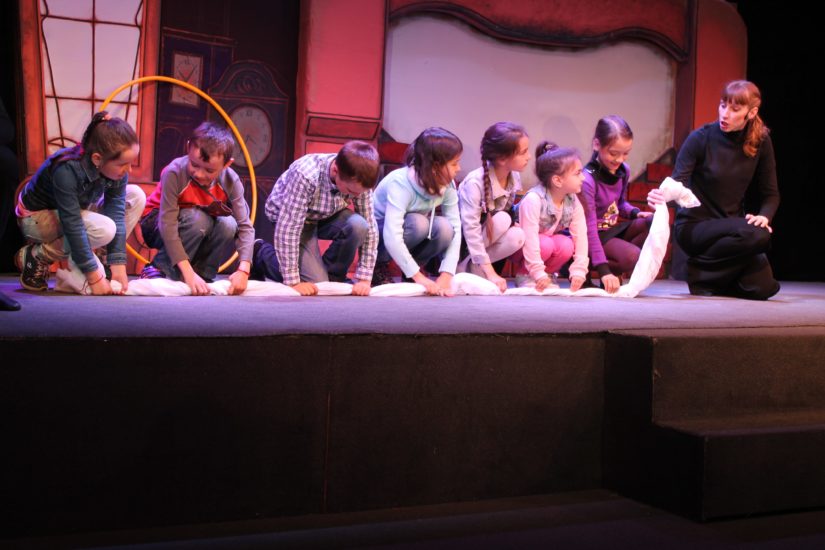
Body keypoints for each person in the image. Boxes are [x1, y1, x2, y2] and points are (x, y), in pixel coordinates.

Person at [651, 80, 780, 300]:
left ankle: (704, 278)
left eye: (735, 109)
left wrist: (764, 217)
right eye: (722, 105)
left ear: (751, 113)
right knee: (759, 236)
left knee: (764, 288)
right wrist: (661, 195)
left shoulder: (761, 141)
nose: (725, 114)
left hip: (731, 230)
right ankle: (699, 271)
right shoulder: (700, 138)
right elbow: (677, 182)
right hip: (695, 226)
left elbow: (771, 194)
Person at [15, 111, 145, 295]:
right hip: (36, 219)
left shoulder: (115, 170)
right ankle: (37, 256)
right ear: (97, 159)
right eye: (123, 164)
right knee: (105, 228)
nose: (129, 170)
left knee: (136, 196)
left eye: (131, 163)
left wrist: (118, 265)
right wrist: (94, 277)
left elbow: (116, 212)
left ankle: (102, 259)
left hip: (74, 212)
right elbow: (73, 224)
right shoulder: (67, 169)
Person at [250, 140, 380, 296]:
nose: (357, 196)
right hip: (291, 218)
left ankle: (333, 278)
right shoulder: (306, 175)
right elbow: (289, 228)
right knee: (315, 284)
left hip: (325, 214)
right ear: (335, 170)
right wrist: (293, 281)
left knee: (359, 225)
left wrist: (364, 278)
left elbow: (370, 227)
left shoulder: (359, 179)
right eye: (351, 192)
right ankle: (260, 253)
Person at [140, 122, 254, 296]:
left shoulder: (231, 181)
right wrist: (187, 272)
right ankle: (159, 268)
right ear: (188, 148)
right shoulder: (175, 172)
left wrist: (243, 270)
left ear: (226, 164)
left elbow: (245, 226)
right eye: (194, 165)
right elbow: (167, 224)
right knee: (198, 220)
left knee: (228, 224)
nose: (199, 174)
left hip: (197, 222)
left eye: (209, 170)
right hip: (157, 222)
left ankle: (202, 274)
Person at [371, 127, 463, 297]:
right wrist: (420, 278)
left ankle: (411, 272)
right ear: (435, 167)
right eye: (454, 163)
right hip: (378, 238)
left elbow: (456, 228)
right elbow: (392, 234)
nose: (459, 168)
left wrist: (446, 274)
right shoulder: (401, 183)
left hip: (408, 232)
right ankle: (378, 266)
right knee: (418, 223)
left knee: (445, 227)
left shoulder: (448, 185)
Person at [579, 115, 652, 293]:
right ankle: (590, 267)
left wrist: (635, 213)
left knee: (652, 222)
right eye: (613, 153)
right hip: (591, 236)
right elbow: (588, 228)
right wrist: (604, 271)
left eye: (625, 153)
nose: (619, 159)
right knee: (633, 256)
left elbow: (619, 204)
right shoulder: (587, 179)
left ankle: (615, 266)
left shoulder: (623, 170)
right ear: (597, 145)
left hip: (610, 231)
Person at [457, 122, 527, 292]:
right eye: (523, 152)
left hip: (487, 237)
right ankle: (463, 266)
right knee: (502, 219)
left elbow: (507, 209)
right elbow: (470, 230)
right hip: (463, 243)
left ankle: (475, 269)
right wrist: (490, 271)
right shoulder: (475, 183)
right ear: (502, 159)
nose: (529, 157)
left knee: (517, 234)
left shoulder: (514, 176)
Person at [510, 141, 588, 291]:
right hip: (521, 246)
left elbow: (581, 236)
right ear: (557, 180)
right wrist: (537, 272)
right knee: (545, 244)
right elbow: (530, 239)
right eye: (577, 173)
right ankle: (525, 274)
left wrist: (579, 270)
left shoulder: (572, 200)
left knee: (566, 244)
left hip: (543, 243)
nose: (583, 178)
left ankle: (548, 275)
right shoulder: (534, 199)